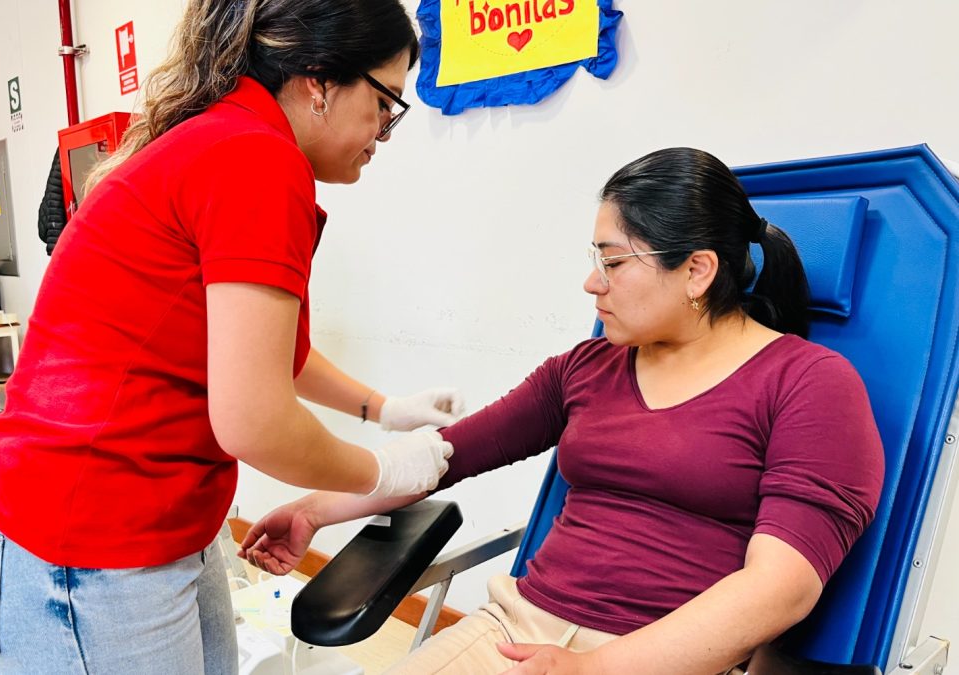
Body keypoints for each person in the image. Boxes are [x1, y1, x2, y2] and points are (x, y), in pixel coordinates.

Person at [240, 148, 886, 675]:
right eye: (593, 259)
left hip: (664, 656)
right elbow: (445, 454)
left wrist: (596, 667)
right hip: (515, 633)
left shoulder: (811, 385)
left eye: (611, 262)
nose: (590, 284)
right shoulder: (588, 366)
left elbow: (780, 587)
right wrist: (315, 508)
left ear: (696, 271)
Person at [0, 2, 461, 673]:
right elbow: (253, 419)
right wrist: (384, 474)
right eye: (386, 101)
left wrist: (382, 409)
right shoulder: (254, 158)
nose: (384, 133)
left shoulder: (225, 140)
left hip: (149, 516)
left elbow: (263, 344)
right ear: (319, 81)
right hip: (88, 534)